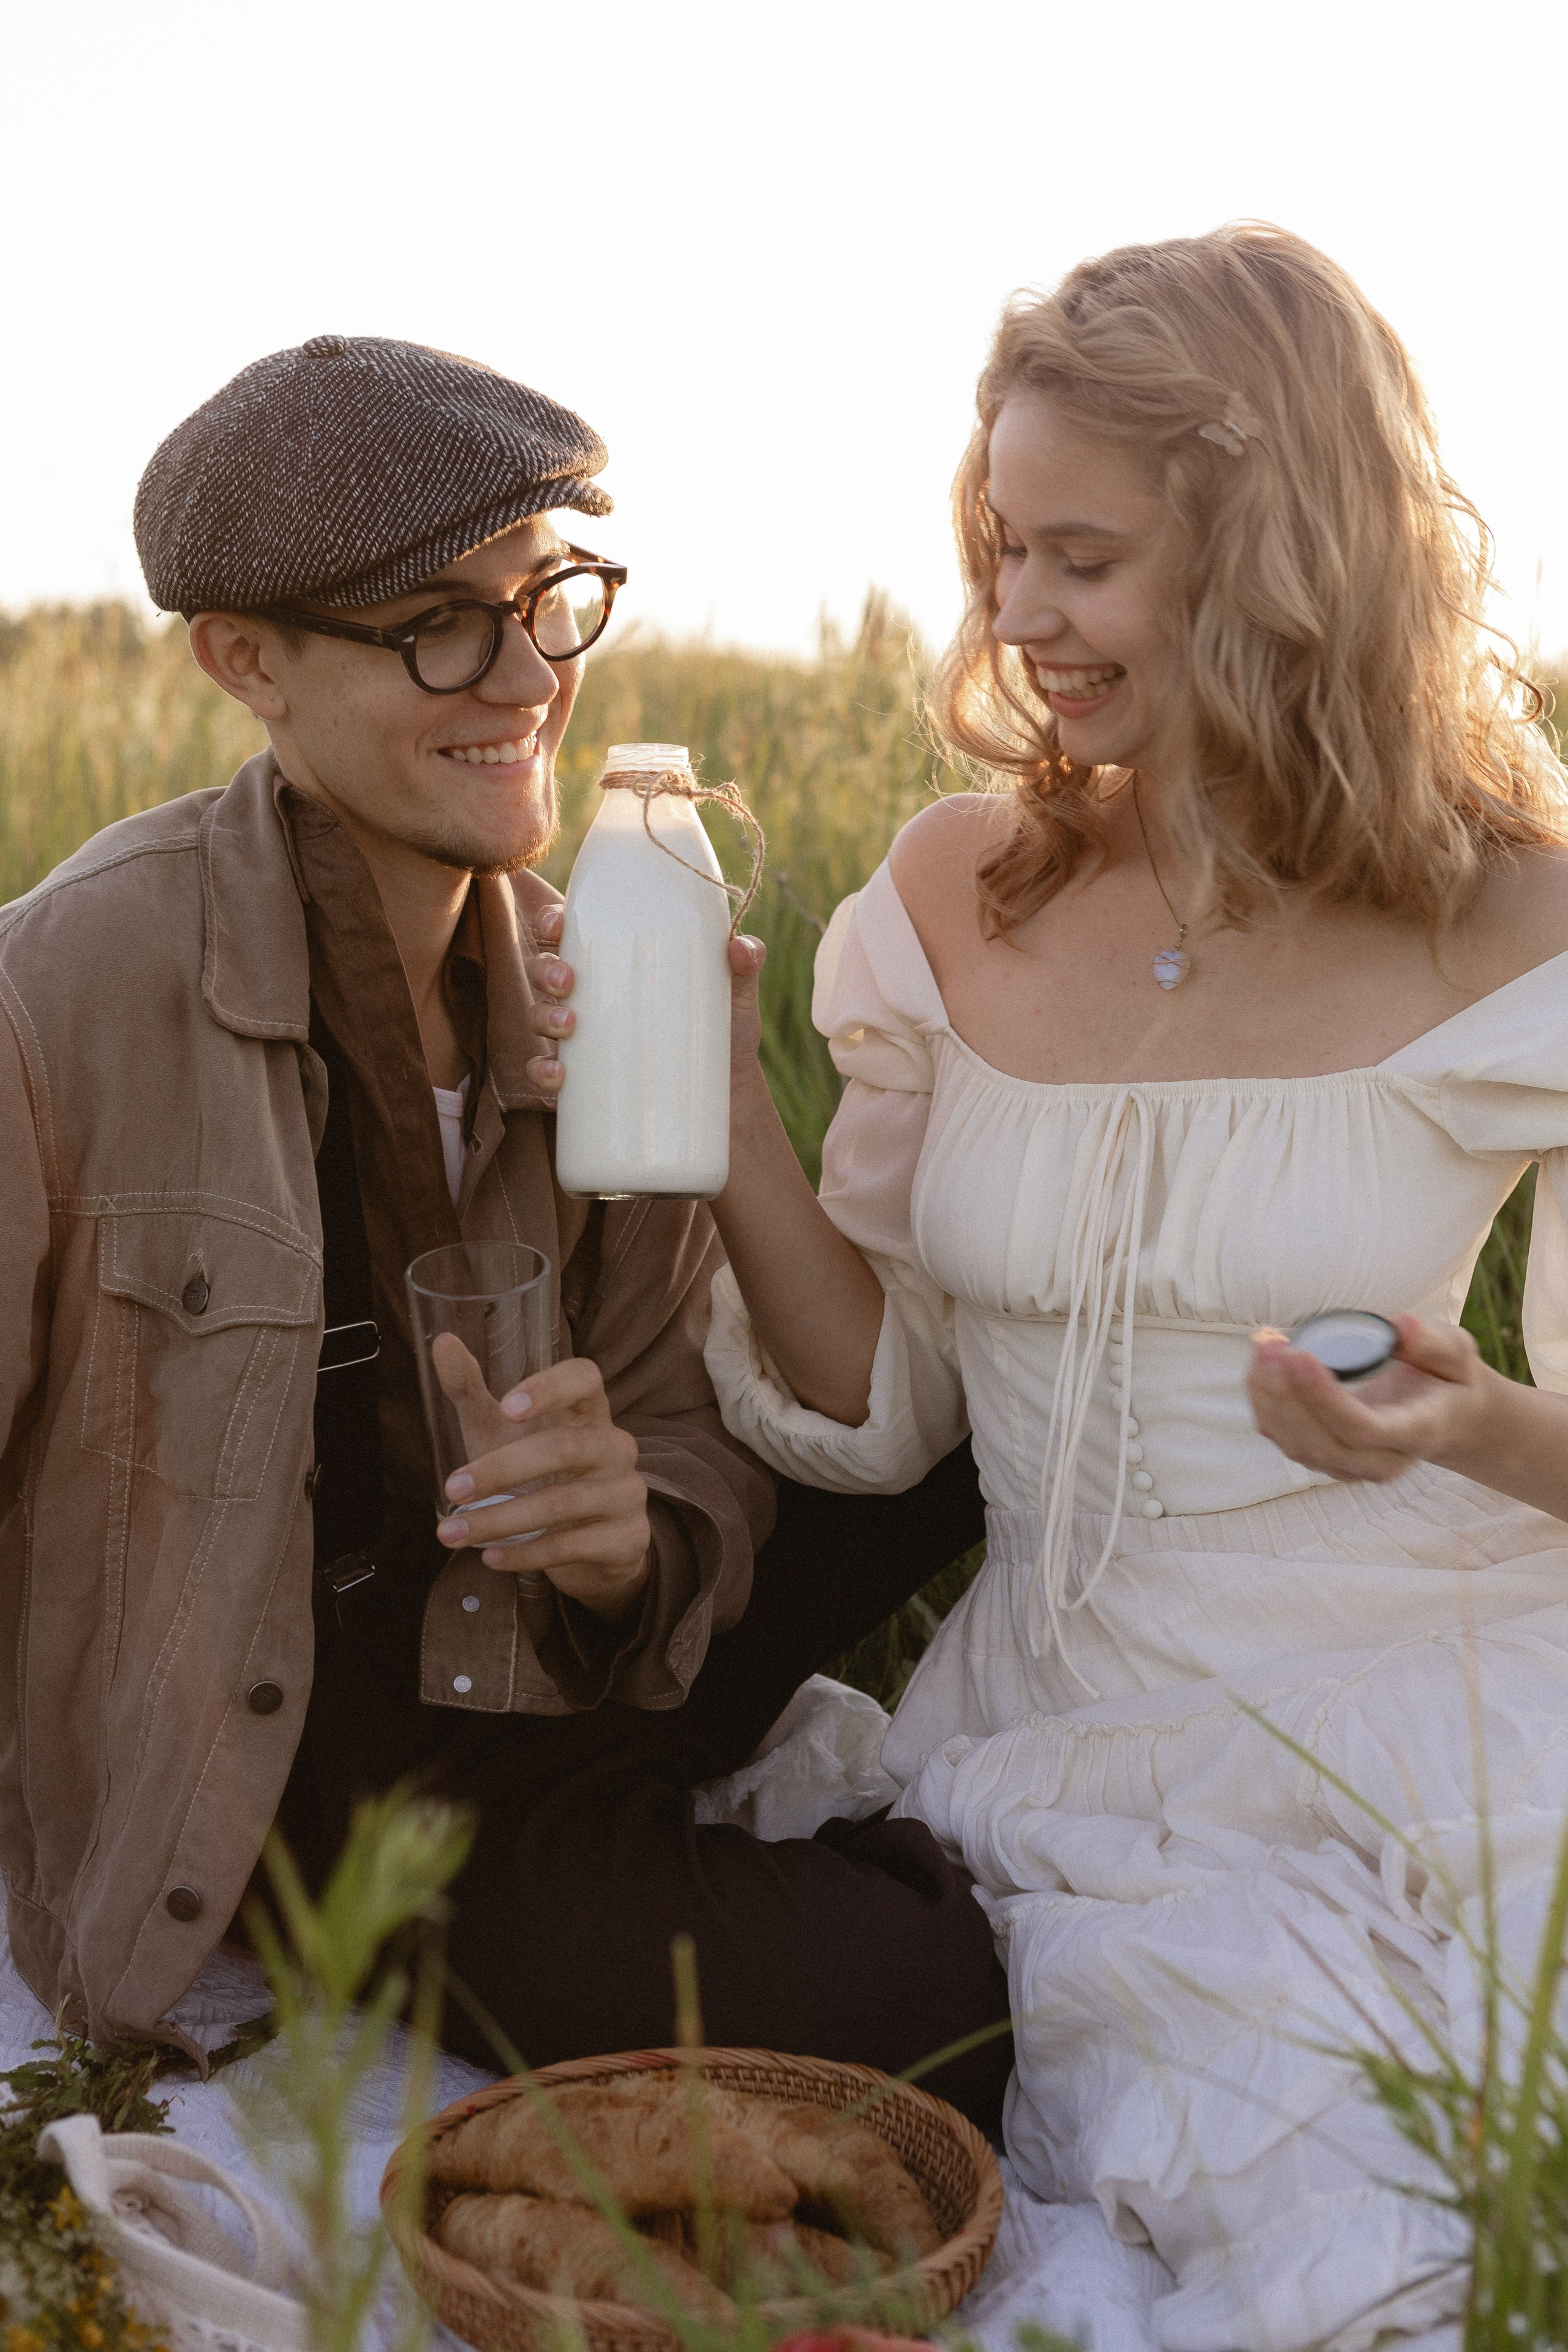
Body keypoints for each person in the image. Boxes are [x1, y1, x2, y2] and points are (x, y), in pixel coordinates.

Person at [529, 225, 1568, 2347]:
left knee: (1406, 2215)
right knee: (1240, 2164)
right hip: (1064, 1722)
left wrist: (1465, 1416)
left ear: (1281, 549)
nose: (1017, 616)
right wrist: (723, 1111)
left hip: (1434, 1698)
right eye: (1003, 548)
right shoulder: (948, 890)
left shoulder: (1521, 924)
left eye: (1081, 560)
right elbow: (887, 1407)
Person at [0, 334, 1011, 2125]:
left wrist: (629, 1536)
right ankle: (675, 1865)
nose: (525, 679)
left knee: (984, 1400)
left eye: (548, 603)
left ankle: (666, 1829)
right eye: (438, 626)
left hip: (551, 1645)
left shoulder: (584, 957)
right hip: (317, 1746)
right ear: (247, 662)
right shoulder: (66, 989)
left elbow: (689, 1421)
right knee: (921, 1997)